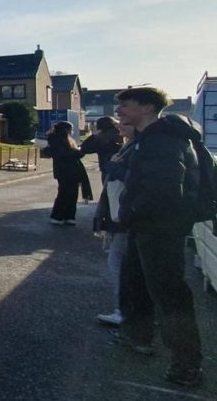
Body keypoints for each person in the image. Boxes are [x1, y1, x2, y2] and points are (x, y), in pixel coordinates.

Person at [114, 87, 204, 387]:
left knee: (169, 296)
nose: (119, 111)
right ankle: (138, 337)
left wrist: (131, 212)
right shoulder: (149, 139)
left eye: (126, 105)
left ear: (148, 108)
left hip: (160, 230)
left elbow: (164, 191)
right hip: (145, 227)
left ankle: (186, 365)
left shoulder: (162, 142)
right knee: (137, 285)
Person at [92, 122, 134, 326]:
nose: (119, 126)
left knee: (118, 261)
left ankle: (124, 310)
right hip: (124, 215)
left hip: (128, 216)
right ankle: (133, 311)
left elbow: (136, 179)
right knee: (121, 260)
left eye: (125, 123)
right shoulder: (130, 146)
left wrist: (113, 167)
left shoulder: (138, 148)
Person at [41, 121, 86, 226]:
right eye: (71, 129)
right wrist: (79, 152)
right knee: (65, 193)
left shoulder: (58, 139)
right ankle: (58, 216)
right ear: (66, 130)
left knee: (69, 193)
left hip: (65, 171)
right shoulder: (59, 141)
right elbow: (68, 154)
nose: (72, 131)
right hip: (66, 171)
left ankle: (67, 216)